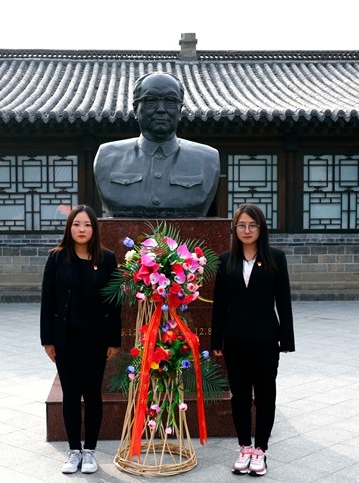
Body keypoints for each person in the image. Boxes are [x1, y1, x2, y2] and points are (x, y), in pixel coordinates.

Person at [211, 203, 295, 477]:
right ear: (235, 228)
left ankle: (260, 450)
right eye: (241, 225)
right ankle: (244, 447)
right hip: (235, 340)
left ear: (261, 228)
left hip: (266, 339)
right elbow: (219, 304)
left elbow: (283, 300)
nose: (246, 230)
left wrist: (286, 340)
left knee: (265, 395)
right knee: (240, 396)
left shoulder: (275, 258)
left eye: (252, 225)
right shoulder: (226, 259)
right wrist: (216, 341)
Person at [40, 205, 122, 474]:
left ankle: (90, 451)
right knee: (71, 394)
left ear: (94, 228)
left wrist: (114, 340)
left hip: (96, 339)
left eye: (87, 224)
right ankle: (74, 450)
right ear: (69, 228)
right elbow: (47, 301)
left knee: (93, 393)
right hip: (65, 339)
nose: (82, 229)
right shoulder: (56, 258)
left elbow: (115, 302)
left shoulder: (107, 258)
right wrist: (47, 340)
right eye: (76, 224)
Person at [93, 71, 220, 218]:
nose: (161, 109)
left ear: (180, 110)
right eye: (151, 101)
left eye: (170, 101)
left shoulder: (207, 159)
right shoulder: (107, 157)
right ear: (136, 109)